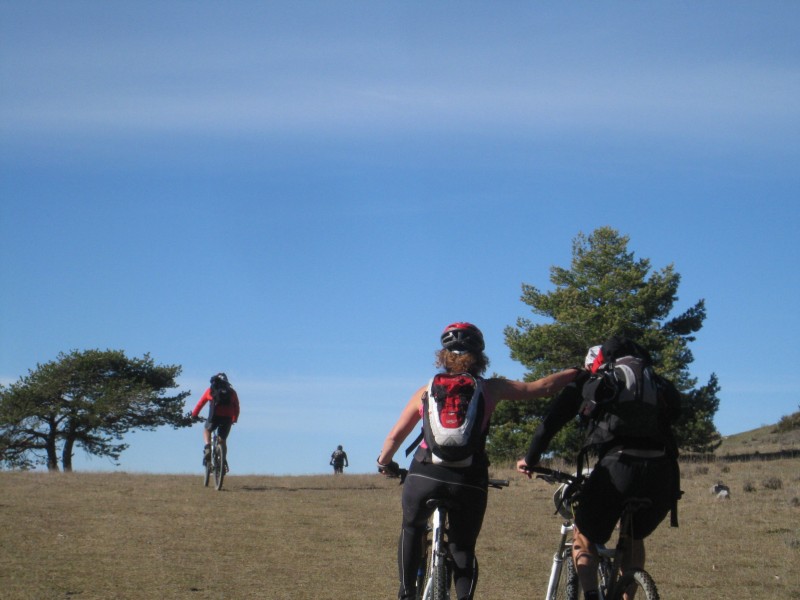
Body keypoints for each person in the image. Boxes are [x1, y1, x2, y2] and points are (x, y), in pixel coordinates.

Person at [377, 322, 582, 600]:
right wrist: (577, 372)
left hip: (425, 474)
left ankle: (406, 593)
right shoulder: (491, 388)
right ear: (480, 356)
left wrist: (385, 464)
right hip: (468, 479)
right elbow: (541, 387)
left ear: (443, 356)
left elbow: (393, 438)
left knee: (412, 528)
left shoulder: (425, 391)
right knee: (462, 548)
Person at [516, 337, 682, 600]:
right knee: (633, 536)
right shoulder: (655, 383)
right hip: (662, 473)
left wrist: (531, 458)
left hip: (618, 466)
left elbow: (551, 422)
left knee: (583, 535)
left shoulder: (596, 381)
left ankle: (592, 594)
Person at [191, 373, 240, 468]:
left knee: (207, 430)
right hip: (228, 417)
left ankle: (207, 447)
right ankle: (222, 460)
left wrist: (194, 415)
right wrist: (234, 418)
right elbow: (236, 406)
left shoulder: (210, 390)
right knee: (222, 440)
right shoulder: (232, 392)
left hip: (214, 416)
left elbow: (200, 403)